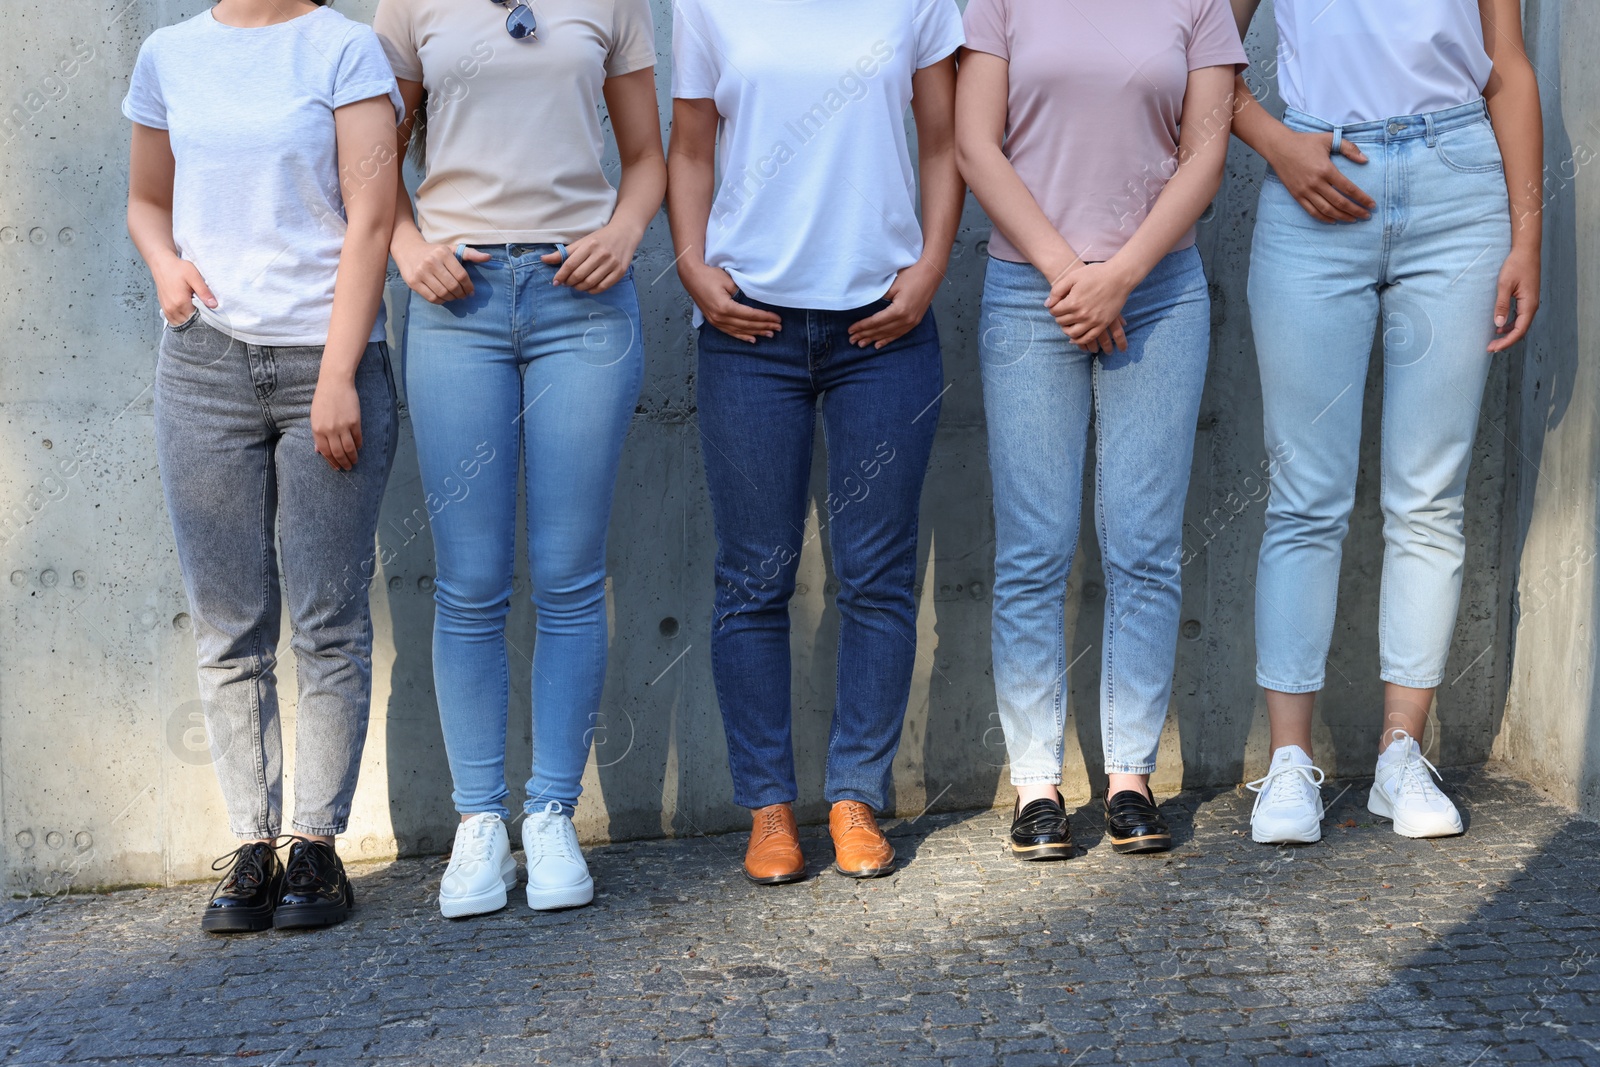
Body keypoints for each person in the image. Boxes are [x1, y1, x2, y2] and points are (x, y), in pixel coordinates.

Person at [373, 0, 664, 916]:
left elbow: (650, 157)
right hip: (456, 305)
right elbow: (372, 158)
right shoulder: (409, 4)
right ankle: (478, 824)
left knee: (572, 575)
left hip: (582, 300)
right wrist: (407, 248)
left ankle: (549, 813)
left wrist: (623, 232)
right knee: (468, 581)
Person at [1231, 0, 1542, 844]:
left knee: (1430, 494)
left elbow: (1506, 63)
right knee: (1304, 495)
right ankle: (1289, 763)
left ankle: (1401, 755)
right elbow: (1197, 47)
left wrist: (1527, 234)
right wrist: (1272, 140)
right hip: (1317, 174)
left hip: (1459, 185)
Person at [668, 0, 964, 883]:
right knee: (753, 575)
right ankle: (768, 810)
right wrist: (691, 261)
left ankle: (854, 797)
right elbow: (689, 148)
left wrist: (930, 268)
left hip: (884, 327)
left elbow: (944, 143)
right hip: (748, 329)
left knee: (876, 573)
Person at [123, 0, 402, 932]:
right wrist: (164, 264)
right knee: (229, 621)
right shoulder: (171, 53)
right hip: (203, 365)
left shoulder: (343, 48)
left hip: (326, 360)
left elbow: (372, 216)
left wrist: (336, 375)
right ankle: (252, 845)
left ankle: (314, 848)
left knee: (326, 618)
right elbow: (146, 201)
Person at [956, 0, 1246, 859]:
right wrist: (1069, 273)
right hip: (1028, 291)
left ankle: (1129, 775)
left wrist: (1118, 275)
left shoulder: (1199, 5)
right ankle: (1036, 780)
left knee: (1144, 542)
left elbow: (1207, 154)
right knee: (1034, 547)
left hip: (1157, 289)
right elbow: (976, 144)